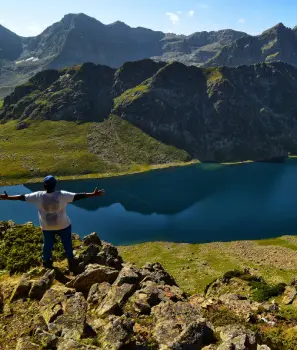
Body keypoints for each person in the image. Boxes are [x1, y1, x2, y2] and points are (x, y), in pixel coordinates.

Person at [0, 175, 105, 270]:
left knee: (47, 245)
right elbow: (78, 196)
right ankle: (71, 262)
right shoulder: (62, 195)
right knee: (67, 243)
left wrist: (7, 197)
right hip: (63, 225)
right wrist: (93, 194)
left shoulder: (38, 195)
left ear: (44, 185)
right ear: (55, 185)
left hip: (47, 227)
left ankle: (47, 262)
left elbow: (21, 197)